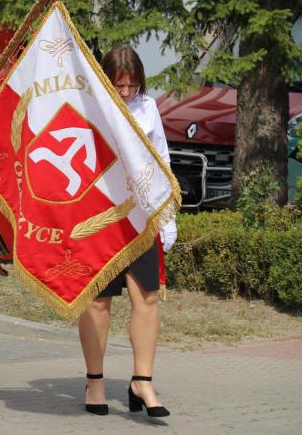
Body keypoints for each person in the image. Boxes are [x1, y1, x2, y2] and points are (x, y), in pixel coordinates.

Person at [78, 45, 177, 418]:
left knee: (147, 297)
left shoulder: (147, 107)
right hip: (100, 213)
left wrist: (167, 215)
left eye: (132, 86)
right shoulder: (89, 106)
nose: (125, 92)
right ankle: (95, 382)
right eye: (118, 85)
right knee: (97, 301)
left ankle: (142, 381)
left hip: (140, 213)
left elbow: (161, 158)